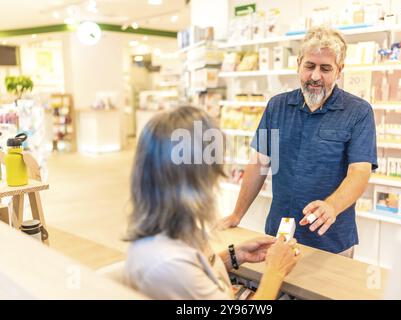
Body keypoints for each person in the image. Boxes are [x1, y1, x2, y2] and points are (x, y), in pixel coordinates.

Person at [221, 26, 378, 258]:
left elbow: (359, 172)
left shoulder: (359, 112)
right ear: (298, 64)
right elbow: (259, 164)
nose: (315, 76)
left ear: (339, 70)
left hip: (331, 240)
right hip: (278, 234)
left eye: (325, 68)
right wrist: (236, 214)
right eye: (309, 66)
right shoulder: (277, 106)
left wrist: (331, 206)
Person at [124, 106, 300, 300]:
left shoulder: (170, 234)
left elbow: (197, 274)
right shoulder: (168, 264)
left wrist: (235, 255)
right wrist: (275, 272)